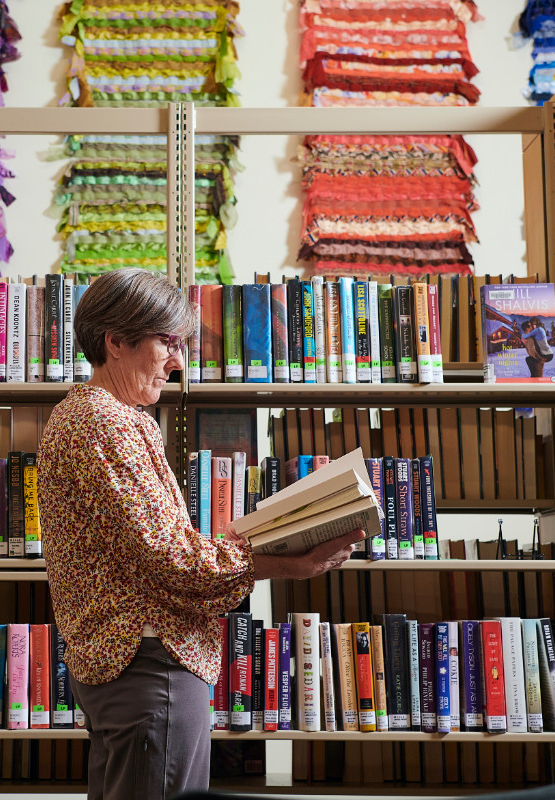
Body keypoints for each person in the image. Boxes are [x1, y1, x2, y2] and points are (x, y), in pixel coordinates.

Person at [38, 268, 365, 800]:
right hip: (147, 668)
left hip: (126, 669)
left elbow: (153, 555)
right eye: (165, 342)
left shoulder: (96, 416)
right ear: (115, 341)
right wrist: (289, 562)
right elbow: (175, 563)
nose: (179, 361)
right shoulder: (106, 423)